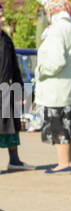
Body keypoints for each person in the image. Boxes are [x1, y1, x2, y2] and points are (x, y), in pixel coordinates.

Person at [34, 0, 71, 174]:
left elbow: (56, 61)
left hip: (57, 88)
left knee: (60, 126)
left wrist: (41, 70)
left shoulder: (56, 30)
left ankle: (63, 164)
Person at [0, 18, 33, 170]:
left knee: (12, 126)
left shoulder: (6, 39)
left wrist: (20, 91)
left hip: (8, 89)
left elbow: (15, 67)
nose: (3, 19)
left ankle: (14, 161)